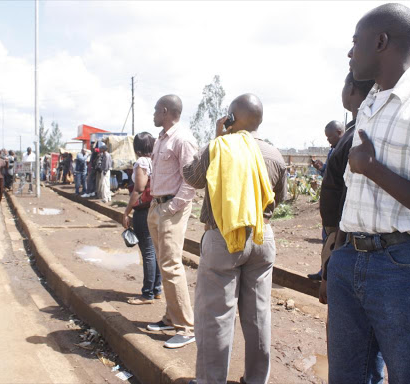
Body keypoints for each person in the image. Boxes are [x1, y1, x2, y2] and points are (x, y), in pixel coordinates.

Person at [327, 4, 410, 383]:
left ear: (381, 42)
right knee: (348, 375)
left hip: (403, 269)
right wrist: (337, 251)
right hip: (349, 259)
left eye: (356, 43)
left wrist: (371, 168)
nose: (350, 52)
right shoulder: (369, 102)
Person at [183, 94, 287, 384]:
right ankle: (256, 380)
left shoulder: (219, 147)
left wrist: (214, 138)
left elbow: (192, 176)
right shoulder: (275, 155)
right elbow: (278, 198)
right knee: (259, 315)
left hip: (224, 236)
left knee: (216, 315)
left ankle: (209, 380)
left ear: (230, 118)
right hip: (262, 236)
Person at [318, 72, 375, 305]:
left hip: (343, 238)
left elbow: (345, 193)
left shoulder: (356, 133)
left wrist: (336, 248)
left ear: (351, 89)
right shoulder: (354, 129)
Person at [146, 94, 197, 349]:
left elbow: (192, 180)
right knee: (165, 264)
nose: (153, 114)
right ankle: (170, 317)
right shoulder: (162, 139)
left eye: (156, 110)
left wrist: (172, 207)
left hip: (171, 208)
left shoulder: (183, 139)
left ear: (165, 111)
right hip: (159, 206)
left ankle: (187, 328)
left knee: (171, 265)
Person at [122, 132, 162, 305]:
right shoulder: (157, 160)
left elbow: (138, 190)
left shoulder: (142, 163)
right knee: (156, 251)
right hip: (158, 208)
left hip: (143, 211)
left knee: (147, 251)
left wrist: (126, 211)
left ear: (137, 148)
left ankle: (147, 294)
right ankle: (157, 289)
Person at [308, 120, 346, 281]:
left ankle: (330, 273)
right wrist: (322, 168)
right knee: (327, 240)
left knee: (334, 241)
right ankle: (324, 270)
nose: (328, 140)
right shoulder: (334, 150)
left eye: (330, 136)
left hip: (338, 208)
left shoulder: (344, 150)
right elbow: (331, 177)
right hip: (329, 209)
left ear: (339, 132)